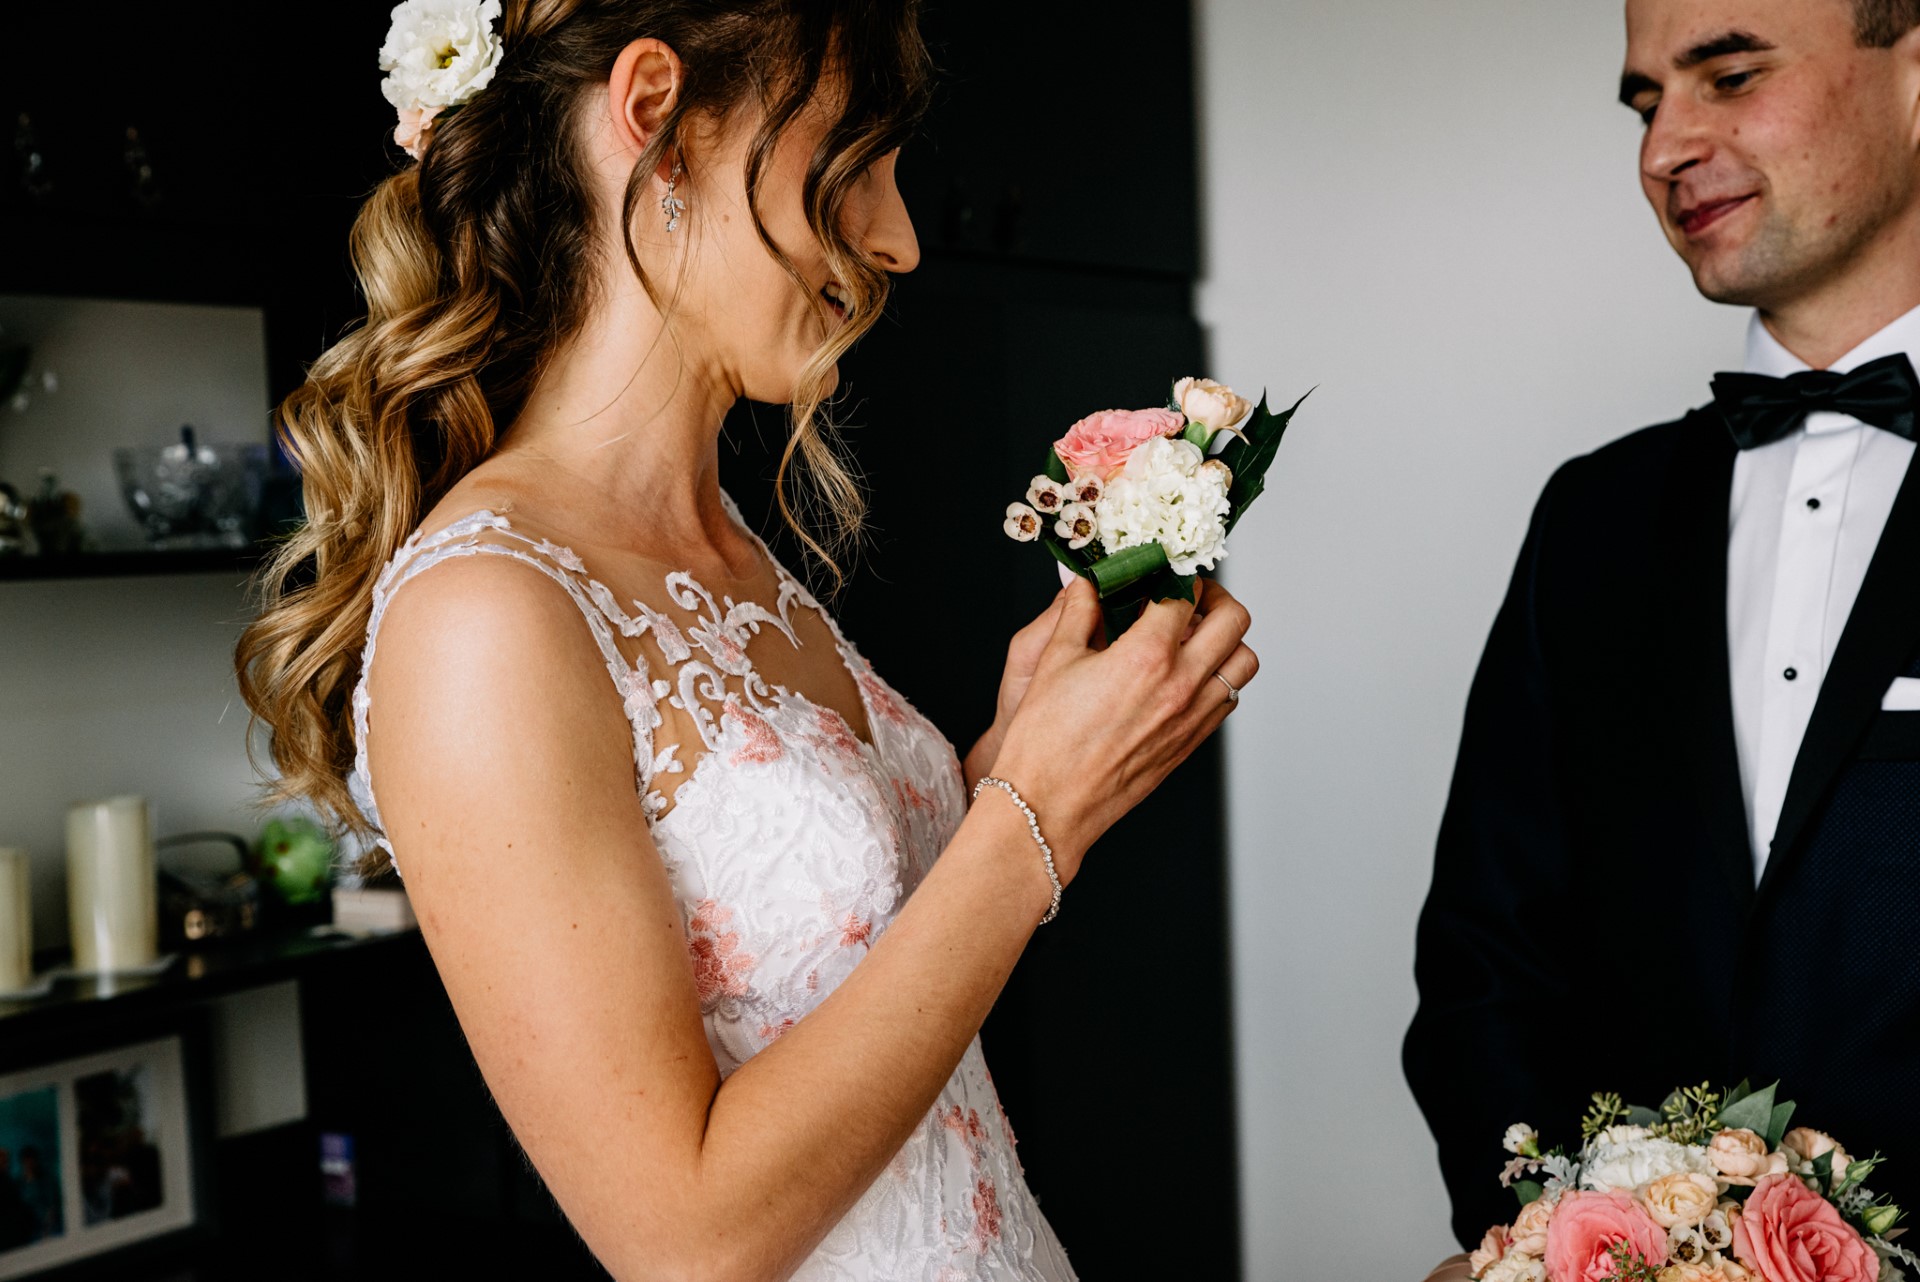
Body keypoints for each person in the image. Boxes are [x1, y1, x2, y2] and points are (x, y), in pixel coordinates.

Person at [234, 2, 1257, 1279]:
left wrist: (1016, 768)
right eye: (858, 159)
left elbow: (840, 986)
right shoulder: (482, 615)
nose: (898, 237)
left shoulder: (730, 553)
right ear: (657, 116)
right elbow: (684, 1241)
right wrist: (1031, 819)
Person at [1407, 0, 1920, 1272]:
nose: (1661, 150)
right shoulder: (1595, 516)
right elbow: (1487, 962)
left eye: (1729, 75)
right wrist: (1563, 1248)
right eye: (1646, 104)